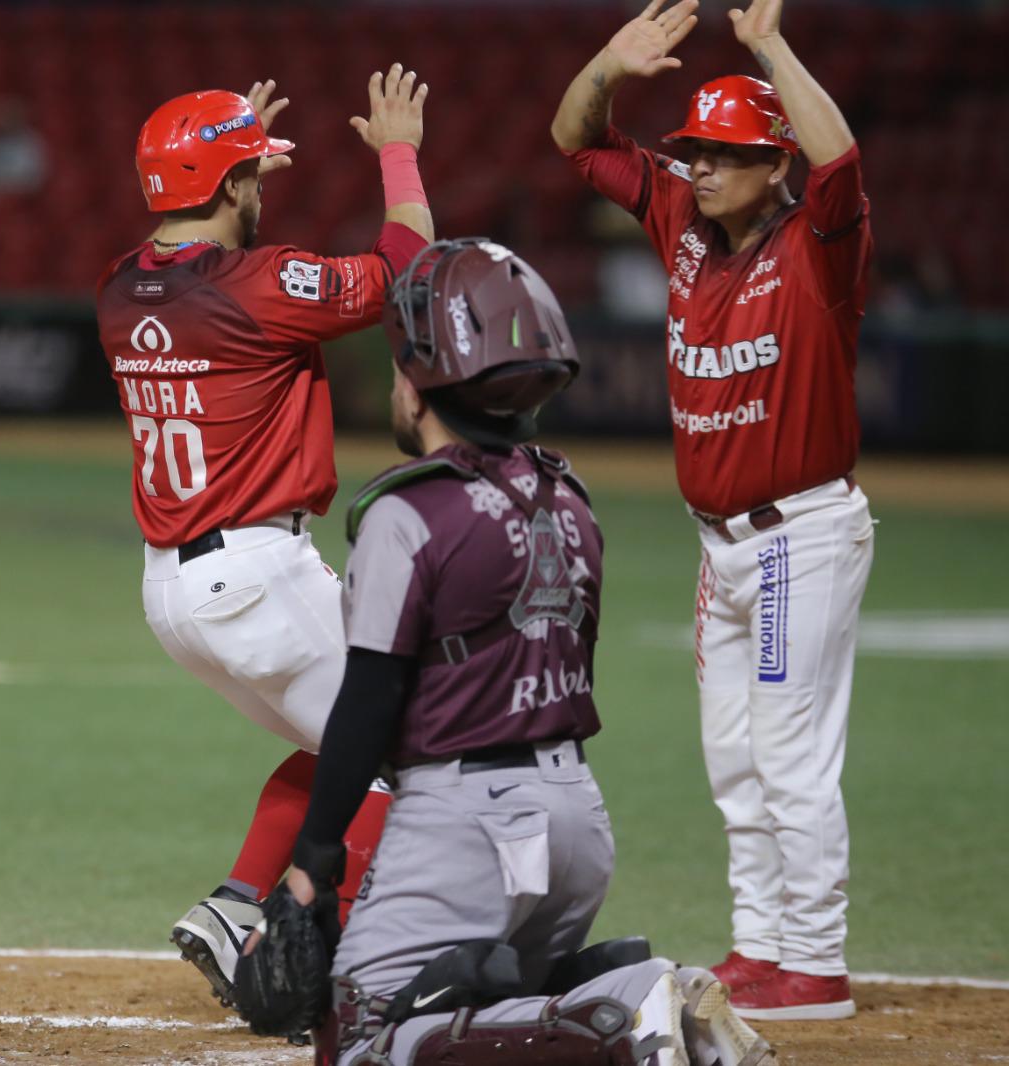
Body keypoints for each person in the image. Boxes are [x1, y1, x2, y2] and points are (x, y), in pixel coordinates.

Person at [257, 237, 773, 1066]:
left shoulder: (406, 514)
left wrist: (313, 860)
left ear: (426, 374)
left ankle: (628, 1004)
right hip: (578, 817)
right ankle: (632, 1009)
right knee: (490, 1019)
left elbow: (369, 698)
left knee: (360, 1042)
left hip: (465, 823)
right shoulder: (570, 498)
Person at [551, 0, 874, 1020]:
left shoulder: (818, 247)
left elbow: (841, 166)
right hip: (719, 546)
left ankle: (814, 961)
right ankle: (761, 942)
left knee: (787, 752)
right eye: (692, 149)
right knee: (734, 760)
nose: (699, 167)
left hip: (798, 534)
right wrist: (609, 61)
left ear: (773, 164)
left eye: (726, 154)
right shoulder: (679, 225)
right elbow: (574, 138)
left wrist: (770, 47)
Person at [94, 69, 434, 1005]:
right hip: (256, 575)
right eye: (251, 176)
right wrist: (398, 153)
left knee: (342, 748)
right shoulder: (254, 285)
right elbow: (407, 267)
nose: (260, 189)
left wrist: (230, 151)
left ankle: (238, 902)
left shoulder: (120, 286)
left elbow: (201, 252)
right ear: (224, 185)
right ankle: (323, 959)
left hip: (174, 591)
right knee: (420, 753)